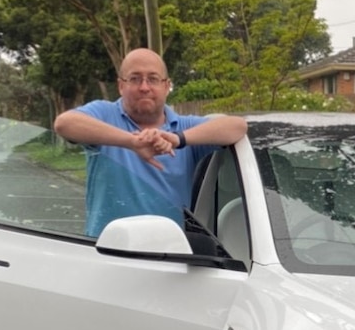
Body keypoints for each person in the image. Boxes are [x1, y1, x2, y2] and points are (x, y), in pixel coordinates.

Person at [54, 48, 248, 237]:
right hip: (106, 252)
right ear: (121, 85)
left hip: (170, 256)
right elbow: (64, 123)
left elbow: (237, 126)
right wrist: (132, 142)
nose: (144, 87)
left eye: (153, 79)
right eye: (135, 78)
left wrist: (177, 139)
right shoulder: (104, 115)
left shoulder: (184, 127)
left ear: (166, 86)